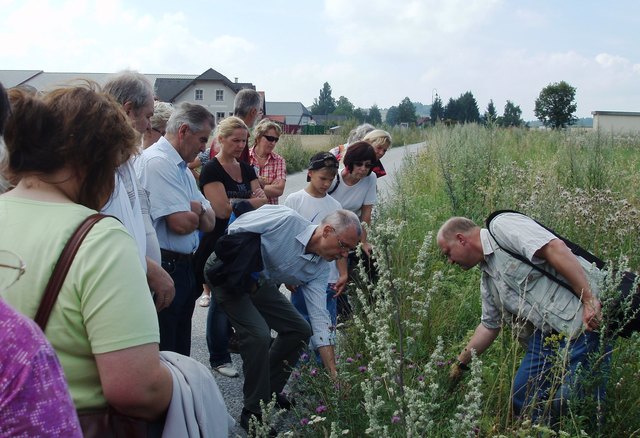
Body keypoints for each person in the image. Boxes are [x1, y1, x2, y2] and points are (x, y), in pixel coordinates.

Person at [0, 84, 173, 422]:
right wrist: (184, 380)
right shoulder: (99, 238)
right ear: (93, 161)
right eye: (114, 168)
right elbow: (137, 390)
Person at [438, 213, 610, 424]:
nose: (450, 261)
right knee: (523, 395)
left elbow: (555, 248)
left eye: (448, 253)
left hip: (582, 323)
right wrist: (460, 364)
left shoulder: (502, 227)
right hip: (546, 337)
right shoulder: (488, 277)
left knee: (575, 400)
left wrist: (589, 299)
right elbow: (489, 326)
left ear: (461, 239)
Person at [207, 204, 361, 433]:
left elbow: (320, 321)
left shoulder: (319, 269)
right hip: (227, 270)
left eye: (349, 251)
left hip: (258, 279)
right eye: (343, 246)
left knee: (300, 329)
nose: (343, 255)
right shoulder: (285, 219)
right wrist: (246, 261)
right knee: (258, 334)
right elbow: (236, 227)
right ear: (327, 231)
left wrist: (334, 373)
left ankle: (266, 392)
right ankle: (252, 412)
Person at [136, 102, 216, 356]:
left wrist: (199, 209)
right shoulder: (158, 163)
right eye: (202, 139)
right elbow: (181, 224)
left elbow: (210, 221)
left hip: (182, 267)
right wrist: (199, 210)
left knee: (180, 348)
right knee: (168, 351)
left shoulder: (181, 168)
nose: (204, 148)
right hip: (166, 266)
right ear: (183, 131)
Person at [194, 116, 267, 377]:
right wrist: (248, 198)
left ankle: (232, 346)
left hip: (245, 242)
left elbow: (265, 202)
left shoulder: (246, 169)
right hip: (219, 242)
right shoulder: (212, 170)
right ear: (220, 139)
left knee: (236, 293)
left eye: (244, 140)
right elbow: (222, 210)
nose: (240, 145)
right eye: (235, 140)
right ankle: (218, 356)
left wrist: (240, 200)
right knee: (219, 298)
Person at [103, 70, 175, 313]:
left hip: (133, 283)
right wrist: (149, 267)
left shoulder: (124, 158)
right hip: (115, 291)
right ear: (127, 110)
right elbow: (103, 236)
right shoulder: (99, 163)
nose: (148, 126)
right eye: (147, 116)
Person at [284, 152, 348, 369]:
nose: (327, 184)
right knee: (302, 321)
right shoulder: (295, 200)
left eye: (331, 180)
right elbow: (288, 240)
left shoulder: (335, 205)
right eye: (323, 178)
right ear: (310, 174)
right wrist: (288, 276)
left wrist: (343, 273)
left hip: (327, 276)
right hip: (300, 274)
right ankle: (301, 365)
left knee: (326, 322)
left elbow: (341, 245)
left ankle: (323, 368)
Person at [328, 141, 378, 318]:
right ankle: (341, 310)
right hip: (330, 230)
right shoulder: (334, 180)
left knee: (372, 260)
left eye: (367, 165)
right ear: (350, 163)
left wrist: (364, 242)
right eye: (359, 164)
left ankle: (373, 307)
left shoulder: (370, 179)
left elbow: (366, 214)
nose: (363, 169)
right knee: (336, 268)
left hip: (352, 230)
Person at [249, 119, 286, 205]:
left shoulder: (279, 160)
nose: (273, 143)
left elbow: (279, 190)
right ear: (258, 137)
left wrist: (252, 184)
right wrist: (268, 185)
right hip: (249, 213)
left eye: (276, 140)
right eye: (270, 138)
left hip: (270, 213)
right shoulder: (245, 157)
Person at [233, 88, 263, 163]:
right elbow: (239, 172)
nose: (258, 115)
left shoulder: (223, 130)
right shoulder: (240, 136)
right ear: (253, 112)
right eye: (259, 110)